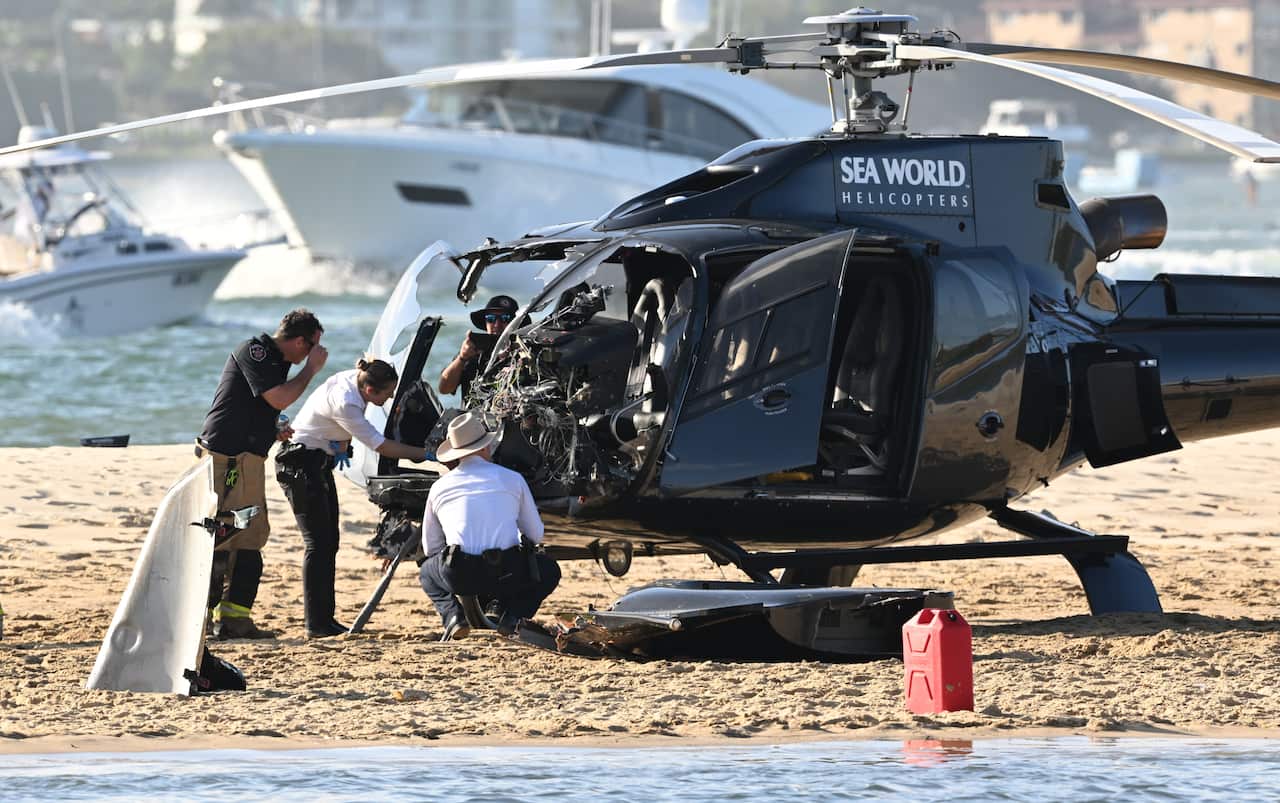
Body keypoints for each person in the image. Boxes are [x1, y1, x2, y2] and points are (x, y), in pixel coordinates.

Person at [276, 356, 431, 638]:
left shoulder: (355, 377)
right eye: (387, 393)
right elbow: (381, 445)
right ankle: (317, 624)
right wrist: (426, 454)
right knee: (318, 545)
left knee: (329, 542)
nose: (389, 398)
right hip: (301, 465)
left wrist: (338, 443)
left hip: (317, 461)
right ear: (371, 390)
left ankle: (326, 619)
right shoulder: (348, 403)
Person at [198, 308, 328, 640]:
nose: (314, 354)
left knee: (250, 535)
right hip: (228, 465)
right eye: (313, 346)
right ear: (300, 341)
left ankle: (232, 618)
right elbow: (279, 397)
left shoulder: (276, 360)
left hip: (246, 461)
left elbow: (259, 406)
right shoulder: (255, 351)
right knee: (226, 532)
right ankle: (207, 619)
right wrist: (311, 370)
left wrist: (273, 428)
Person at [417, 412, 560, 641]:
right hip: (508, 572)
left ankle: (453, 617)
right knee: (550, 570)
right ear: (486, 447)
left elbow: (430, 547)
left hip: (460, 574)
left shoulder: (439, 487)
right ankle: (513, 617)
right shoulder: (512, 478)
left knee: (427, 573)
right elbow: (536, 534)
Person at [437, 294, 518, 400]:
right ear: (485, 323)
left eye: (505, 318)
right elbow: (444, 389)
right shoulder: (473, 350)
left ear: (516, 323)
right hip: (474, 415)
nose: (497, 324)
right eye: (491, 319)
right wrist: (461, 358)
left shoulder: (524, 353)